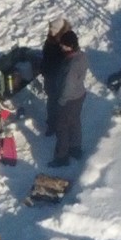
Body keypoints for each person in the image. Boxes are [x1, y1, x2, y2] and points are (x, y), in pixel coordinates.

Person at [47, 25, 88, 167]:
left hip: (69, 100)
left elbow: (68, 86)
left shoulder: (70, 64)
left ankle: (61, 157)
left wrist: (61, 101)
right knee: (75, 122)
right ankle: (75, 148)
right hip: (80, 95)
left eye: (63, 46)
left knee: (62, 128)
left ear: (70, 46)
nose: (61, 48)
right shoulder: (81, 56)